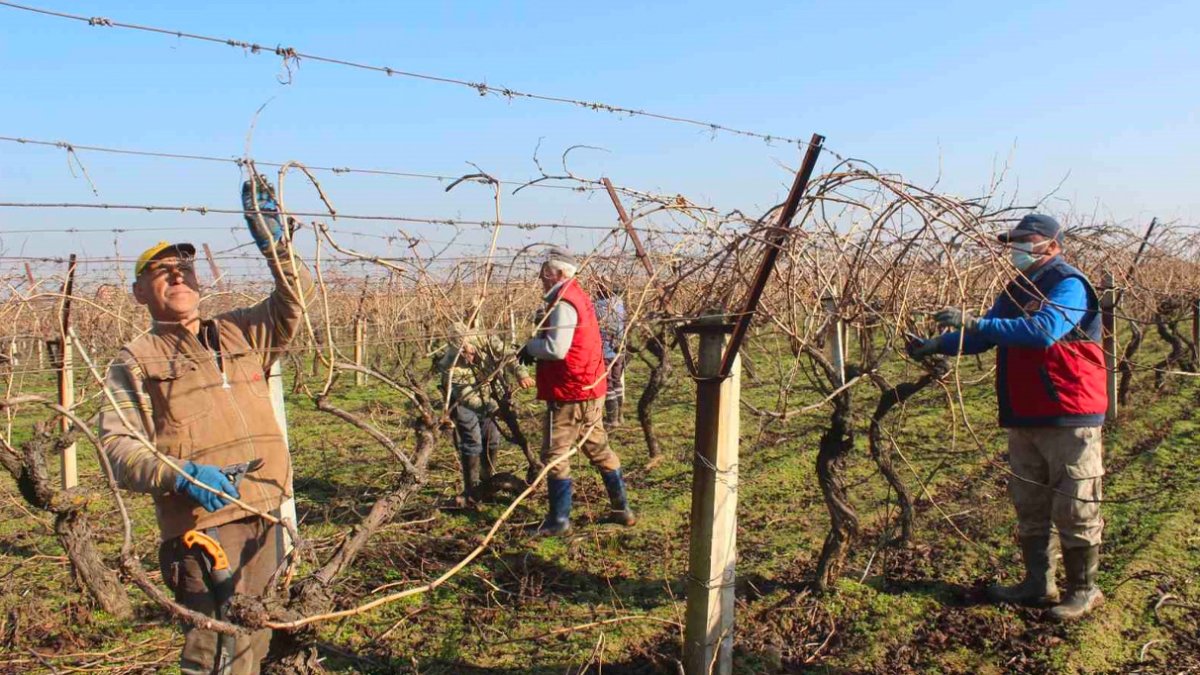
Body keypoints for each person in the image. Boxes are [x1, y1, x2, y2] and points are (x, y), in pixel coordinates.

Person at [97, 177, 312, 673]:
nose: (178, 277)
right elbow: (119, 448)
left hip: (267, 510)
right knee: (217, 651)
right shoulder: (135, 360)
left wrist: (277, 248)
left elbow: (293, 301)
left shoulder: (240, 330)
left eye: (185, 269)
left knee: (256, 640)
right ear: (138, 293)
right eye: (161, 272)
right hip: (203, 530)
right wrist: (182, 476)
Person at [909, 214, 1107, 622]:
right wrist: (937, 345)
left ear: (1051, 245)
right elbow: (984, 336)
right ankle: (1038, 584)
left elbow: (1043, 331)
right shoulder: (1017, 288)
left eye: (1024, 240)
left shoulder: (1069, 284)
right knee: (1030, 503)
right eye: (1012, 241)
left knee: (1074, 504)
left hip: (1069, 412)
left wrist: (976, 321)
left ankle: (1084, 591)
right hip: (1025, 412)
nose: (1015, 247)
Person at [517, 247, 636, 535]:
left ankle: (559, 521)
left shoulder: (563, 302)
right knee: (596, 446)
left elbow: (556, 349)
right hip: (590, 386)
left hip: (569, 392)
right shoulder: (580, 296)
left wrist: (529, 347)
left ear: (557, 274)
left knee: (555, 454)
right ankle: (622, 509)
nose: (541, 278)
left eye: (545, 273)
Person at [437, 320, 534, 505]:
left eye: (470, 349)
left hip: (492, 393)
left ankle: (487, 478)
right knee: (472, 441)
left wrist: (522, 374)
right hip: (463, 401)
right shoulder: (450, 366)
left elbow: (509, 356)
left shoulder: (487, 339)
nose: (469, 355)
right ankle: (472, 489)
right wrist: (494, 409)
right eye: (462, 353)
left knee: (492, 437)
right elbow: (468, 399)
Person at [593, 279, 627, 428]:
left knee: (608, 384)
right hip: (619, 348)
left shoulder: (598, 306)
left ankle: (612, 419)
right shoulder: (619, 303)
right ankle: (620, 415)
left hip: (606, 349)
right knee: (617, 379)